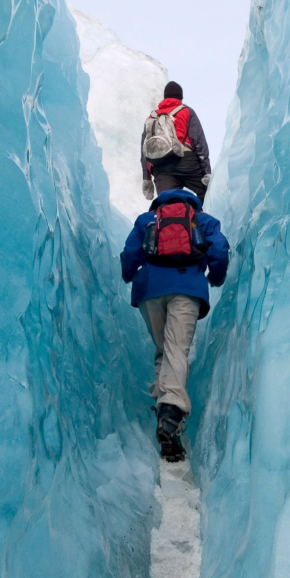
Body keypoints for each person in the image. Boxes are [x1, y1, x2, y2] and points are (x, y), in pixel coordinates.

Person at [121, 188, 229, 462]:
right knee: (176, 350)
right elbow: (219, 249)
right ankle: (171, 414)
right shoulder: (203, 220)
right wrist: (215, 277)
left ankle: (165, 417)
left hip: (150, 291)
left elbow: (130, 253)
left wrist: (129, 275)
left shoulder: (147, 219)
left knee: (163, 351)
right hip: (187, 287)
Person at [141, 82, 211, 203]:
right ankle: (197, 220)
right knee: (208, 196)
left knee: (167, 205)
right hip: (186, 163)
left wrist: (146, 178)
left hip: (161, 167)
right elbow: (199, 143)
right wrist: (207, 172)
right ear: (181, 98)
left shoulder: (152, 117)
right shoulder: (187, 112)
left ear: (165, 98)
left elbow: (145, 151)